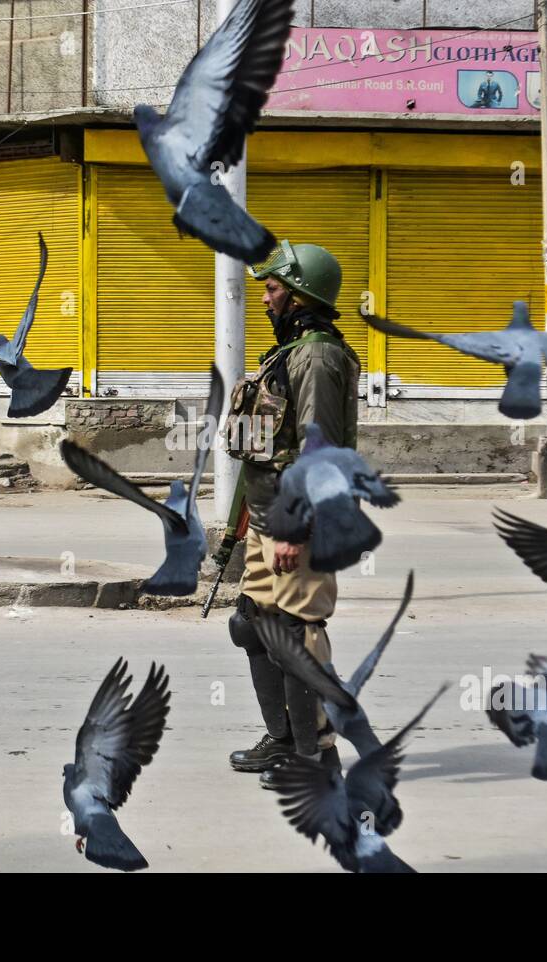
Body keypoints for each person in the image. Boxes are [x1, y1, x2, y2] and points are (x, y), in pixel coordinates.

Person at [223, 240, 360, 789]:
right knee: (253, 624)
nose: (264, 300)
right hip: (264, 518)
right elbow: (261, 450)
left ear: (301, 295)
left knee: (298, 631)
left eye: (273, 289)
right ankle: (282, 740)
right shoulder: (288, 353)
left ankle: (316, 756)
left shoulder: (319, 357)